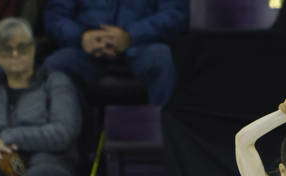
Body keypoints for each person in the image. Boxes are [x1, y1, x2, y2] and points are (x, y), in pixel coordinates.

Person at [0, 17, 81, 176]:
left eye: (22, 47)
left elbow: (63, 133)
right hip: (0, 162)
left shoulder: (56, 82)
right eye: (7, 49)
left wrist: (9, 137)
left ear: (33, 49)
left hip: (49, 161)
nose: (15, 55)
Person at [42, 0, 188, 107]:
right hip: (86, 49)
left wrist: (131, 35)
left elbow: (175, 15)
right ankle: (67, 139)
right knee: (56, 64)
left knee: (161, 58)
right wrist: (81, 37)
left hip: (140, 47)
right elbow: (55, 16)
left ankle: (163, 138)